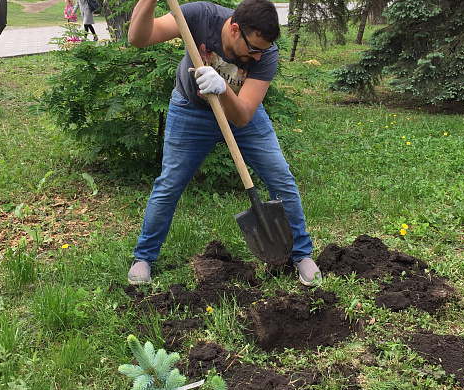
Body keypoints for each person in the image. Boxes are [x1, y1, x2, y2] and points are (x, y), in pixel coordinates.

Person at [126, 0, 323, 287]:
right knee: (169, 184)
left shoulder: (266, 55)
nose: (256, 57)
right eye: (253, 49)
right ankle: (144, 257)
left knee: (281, 177)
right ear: (234, 29)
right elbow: (138, 38)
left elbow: (243, 115)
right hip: (190, 111)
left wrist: (223, 87)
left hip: (242, 114)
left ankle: (302, 254)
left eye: (262, 51)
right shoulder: (197, 17)